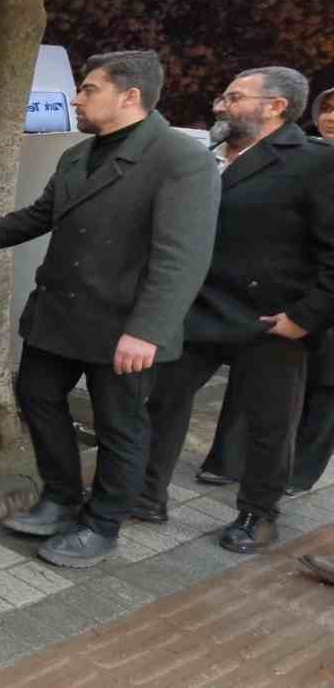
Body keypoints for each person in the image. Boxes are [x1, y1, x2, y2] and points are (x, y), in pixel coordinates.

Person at [0, 50, 219, 568]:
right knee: (35, 395)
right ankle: (61, 497)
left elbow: (182, 255)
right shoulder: (78, 155)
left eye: (88, 89)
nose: (77, 99)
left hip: (124, 325)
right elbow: (39, 216)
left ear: (130, 96)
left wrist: (147, 330)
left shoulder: (179, 158)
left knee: (119, 425)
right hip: (59, 316)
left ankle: (102, 524)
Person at [139, 66, 334, 554]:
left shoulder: (313, 163)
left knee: (268, 424)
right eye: (223, 96)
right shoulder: (204, 156)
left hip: (271, 321)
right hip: (200, 308)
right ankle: (146, 496)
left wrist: (305, 317)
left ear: (275, 107)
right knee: (162, 401)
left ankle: (258, 514)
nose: (219, 105)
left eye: (234, 97)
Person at [192, 84, 334, 495]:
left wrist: (307, 315)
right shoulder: (291, 157)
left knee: (311, 399)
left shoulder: (317, 164)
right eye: (327, 108)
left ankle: (282, 489)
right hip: (259, 309)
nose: (330, 117)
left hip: (308, 309)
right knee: (248, 398)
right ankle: (225, 461)